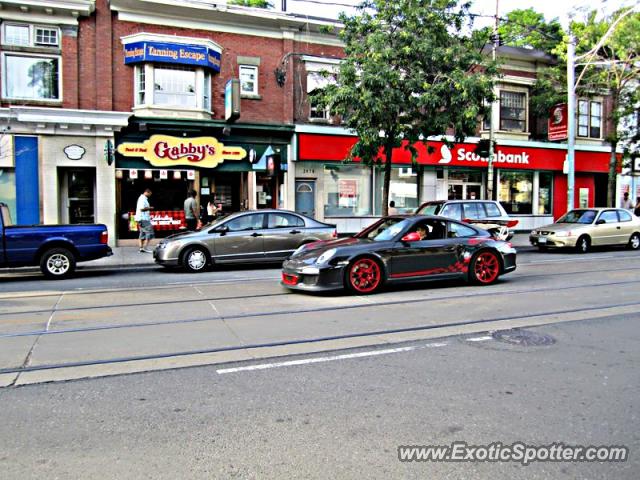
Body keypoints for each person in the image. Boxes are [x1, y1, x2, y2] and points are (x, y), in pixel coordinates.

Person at [135, 188, 154, 253]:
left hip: (140, 218)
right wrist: (150, 208)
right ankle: (145, 247)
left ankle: (141, 248)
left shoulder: (142, 198)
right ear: (147, 192)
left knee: (142, 233)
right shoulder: (143, 199)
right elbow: (142, 209)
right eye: (150, 194)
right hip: (143, 218)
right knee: (150, 233)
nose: (150, 195)